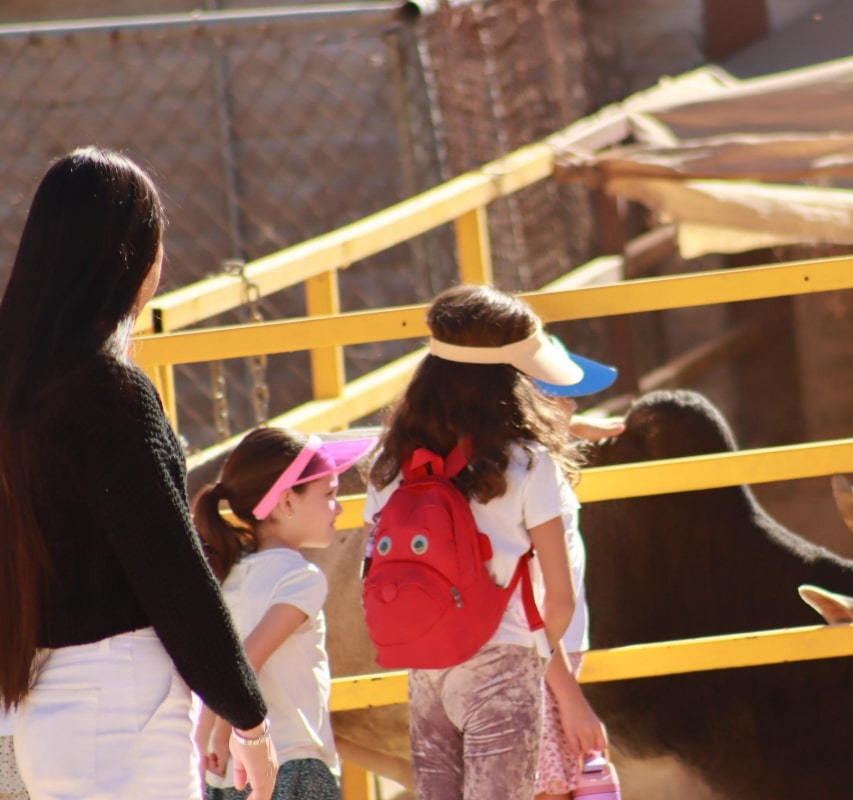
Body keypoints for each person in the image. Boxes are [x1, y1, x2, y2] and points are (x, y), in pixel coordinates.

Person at [0, 147, 277, 800]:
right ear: (126, 259)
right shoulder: (109, 394)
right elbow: (171, 570)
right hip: (119, 702)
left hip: (38, 699)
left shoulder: (18, 388)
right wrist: (250, 721)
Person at [365, 284, 583, 799]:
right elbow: (561, 599)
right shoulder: (527, 463)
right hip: (504, 665)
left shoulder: (389, 463)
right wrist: (533, 657)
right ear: (510, 378)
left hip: (425, 664)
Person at [193, 427, 376, 800]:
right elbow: (248, 660)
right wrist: (223, 733)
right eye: (329, 495)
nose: (340, 508)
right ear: (288, 503)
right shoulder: (301, 578)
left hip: (229, 776)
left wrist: (207, 735)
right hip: (292, 765)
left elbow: (221, 666)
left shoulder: (232, 576)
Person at [530, 340, 620, 800]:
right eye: (563, 397)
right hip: (544, 668)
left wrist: (573, 426)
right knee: (550, 790)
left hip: (547, 662)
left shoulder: (520, 463)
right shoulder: (536, 474)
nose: (575, 405)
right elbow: (533, 604)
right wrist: (570, 697)